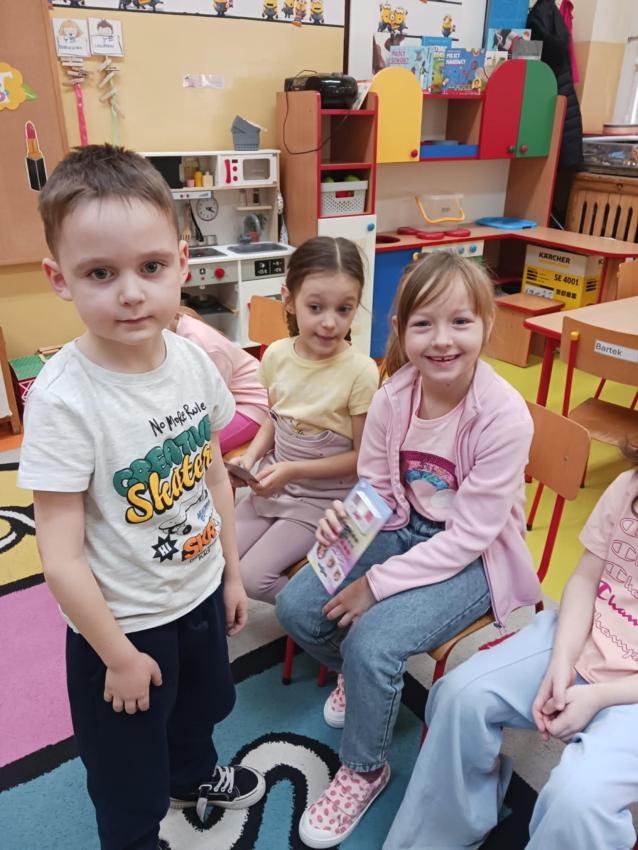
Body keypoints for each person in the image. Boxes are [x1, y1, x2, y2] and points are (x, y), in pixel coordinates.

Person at [17, 144, 265, 850]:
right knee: (127, 773)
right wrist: (119, 656)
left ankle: (193, 775)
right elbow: (61, 559)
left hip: (198, 593)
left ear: (182, 263)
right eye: (101, 273)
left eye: (151, 267)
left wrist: (232, 573)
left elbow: (212, 473)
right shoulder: (64, 401)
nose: (131, 293)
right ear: (60, 279)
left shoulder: (191, 359)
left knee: (199, 712)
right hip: (121, 627)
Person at [276, 251, 541, 848]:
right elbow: (375, 486)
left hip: (474, 557)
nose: (442, 340)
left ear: (487, 324)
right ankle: (364, 681)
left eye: (460, 322)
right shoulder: (394, 394)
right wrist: (344, 524)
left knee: (373, 642)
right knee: (297, 605)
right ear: (399, 330)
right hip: (400, 525)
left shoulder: (503, 416)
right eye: (424, 324)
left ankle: (364, 769)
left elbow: (470, 537)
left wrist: (374, 585)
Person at [385, 450, 638, 850]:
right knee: (460, 695)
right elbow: (585, 580)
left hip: (630, 696)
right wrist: (561, 663)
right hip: (581, 636)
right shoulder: (629, 486)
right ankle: (448, 831)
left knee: (578, 802)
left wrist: (598, 696)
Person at [227, 236, 379, 604]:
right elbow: (273, 419)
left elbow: (362, 460)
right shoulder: (277, 355)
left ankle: (323, 615)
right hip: (273, 484)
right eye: (315, 307)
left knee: (252, 579)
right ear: (289, 300)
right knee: (218, 558)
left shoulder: (361, 372)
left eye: (344, 309)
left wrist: (293, 470)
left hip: (324, 502)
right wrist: (250, 458)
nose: (329, 322)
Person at [169, 306, 269, 454]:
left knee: (192, 451)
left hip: (253, 405)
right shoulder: (179, 324)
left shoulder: (203, 347)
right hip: (231, 397)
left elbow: (214, 401)